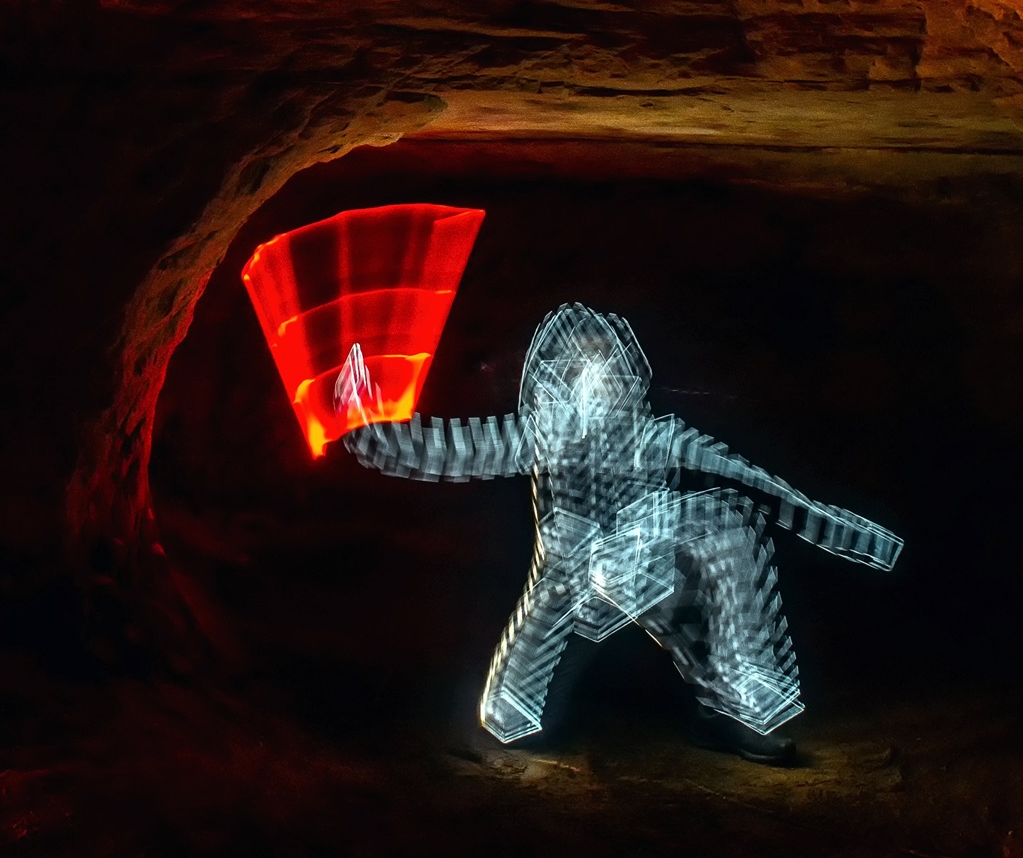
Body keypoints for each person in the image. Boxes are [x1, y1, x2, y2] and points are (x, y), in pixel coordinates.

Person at [337, 302, 902, 765]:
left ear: (624, 374)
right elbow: (455, 449)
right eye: (575, 366)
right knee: (515, 722)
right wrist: (366, 428)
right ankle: (526, 705)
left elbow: (757, 483)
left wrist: (852, 536)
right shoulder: (545, 433)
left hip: (648, 573)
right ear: (553, 376)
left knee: (724, 523)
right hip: (570, 586)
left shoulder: (656, 436)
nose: (591, 379)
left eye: (601, 365)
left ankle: (729, 711)